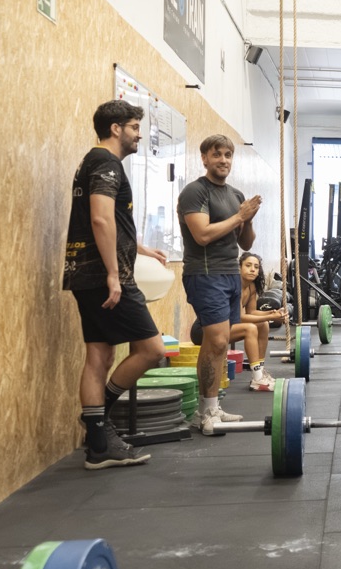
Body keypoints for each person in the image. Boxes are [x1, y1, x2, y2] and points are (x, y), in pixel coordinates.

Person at [64, 100, 167, 469]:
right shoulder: (106, 163)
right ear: (116, 129)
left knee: (100, 355)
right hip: (104, 275)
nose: (139, 134)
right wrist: (113, 274)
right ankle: (98, 424)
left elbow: (109, 222)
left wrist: (138, 247)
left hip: (86, 273)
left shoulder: (93, 162)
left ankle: (97, 444)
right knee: (152, 350)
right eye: (135, 127)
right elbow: (100, 219)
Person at [178, 134, 261, 435]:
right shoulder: (195, 192)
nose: (223, 160)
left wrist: (247, 220)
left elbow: (245, 242)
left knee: (223, 342)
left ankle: (212, 407)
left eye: (228, 155)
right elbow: (201, 235)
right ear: (204, 158)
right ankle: (204, 412)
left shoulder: (235, 194)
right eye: (217, 155)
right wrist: (239, 215)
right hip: (204, 272)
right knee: (213, 340)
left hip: (228, 273)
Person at [230, 252, 286, 392]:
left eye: (256, 266)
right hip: (215, 329)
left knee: (263, 325)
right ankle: (257, 378)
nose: (252, 269)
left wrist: (272, 313)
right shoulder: (234, 286)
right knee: (250, 328)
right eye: (248, 265)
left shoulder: (251, 287)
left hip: (230, 326)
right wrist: (270, 317)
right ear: (240, 268)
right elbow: (240, 317)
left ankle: (260, 371)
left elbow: (252, 312)